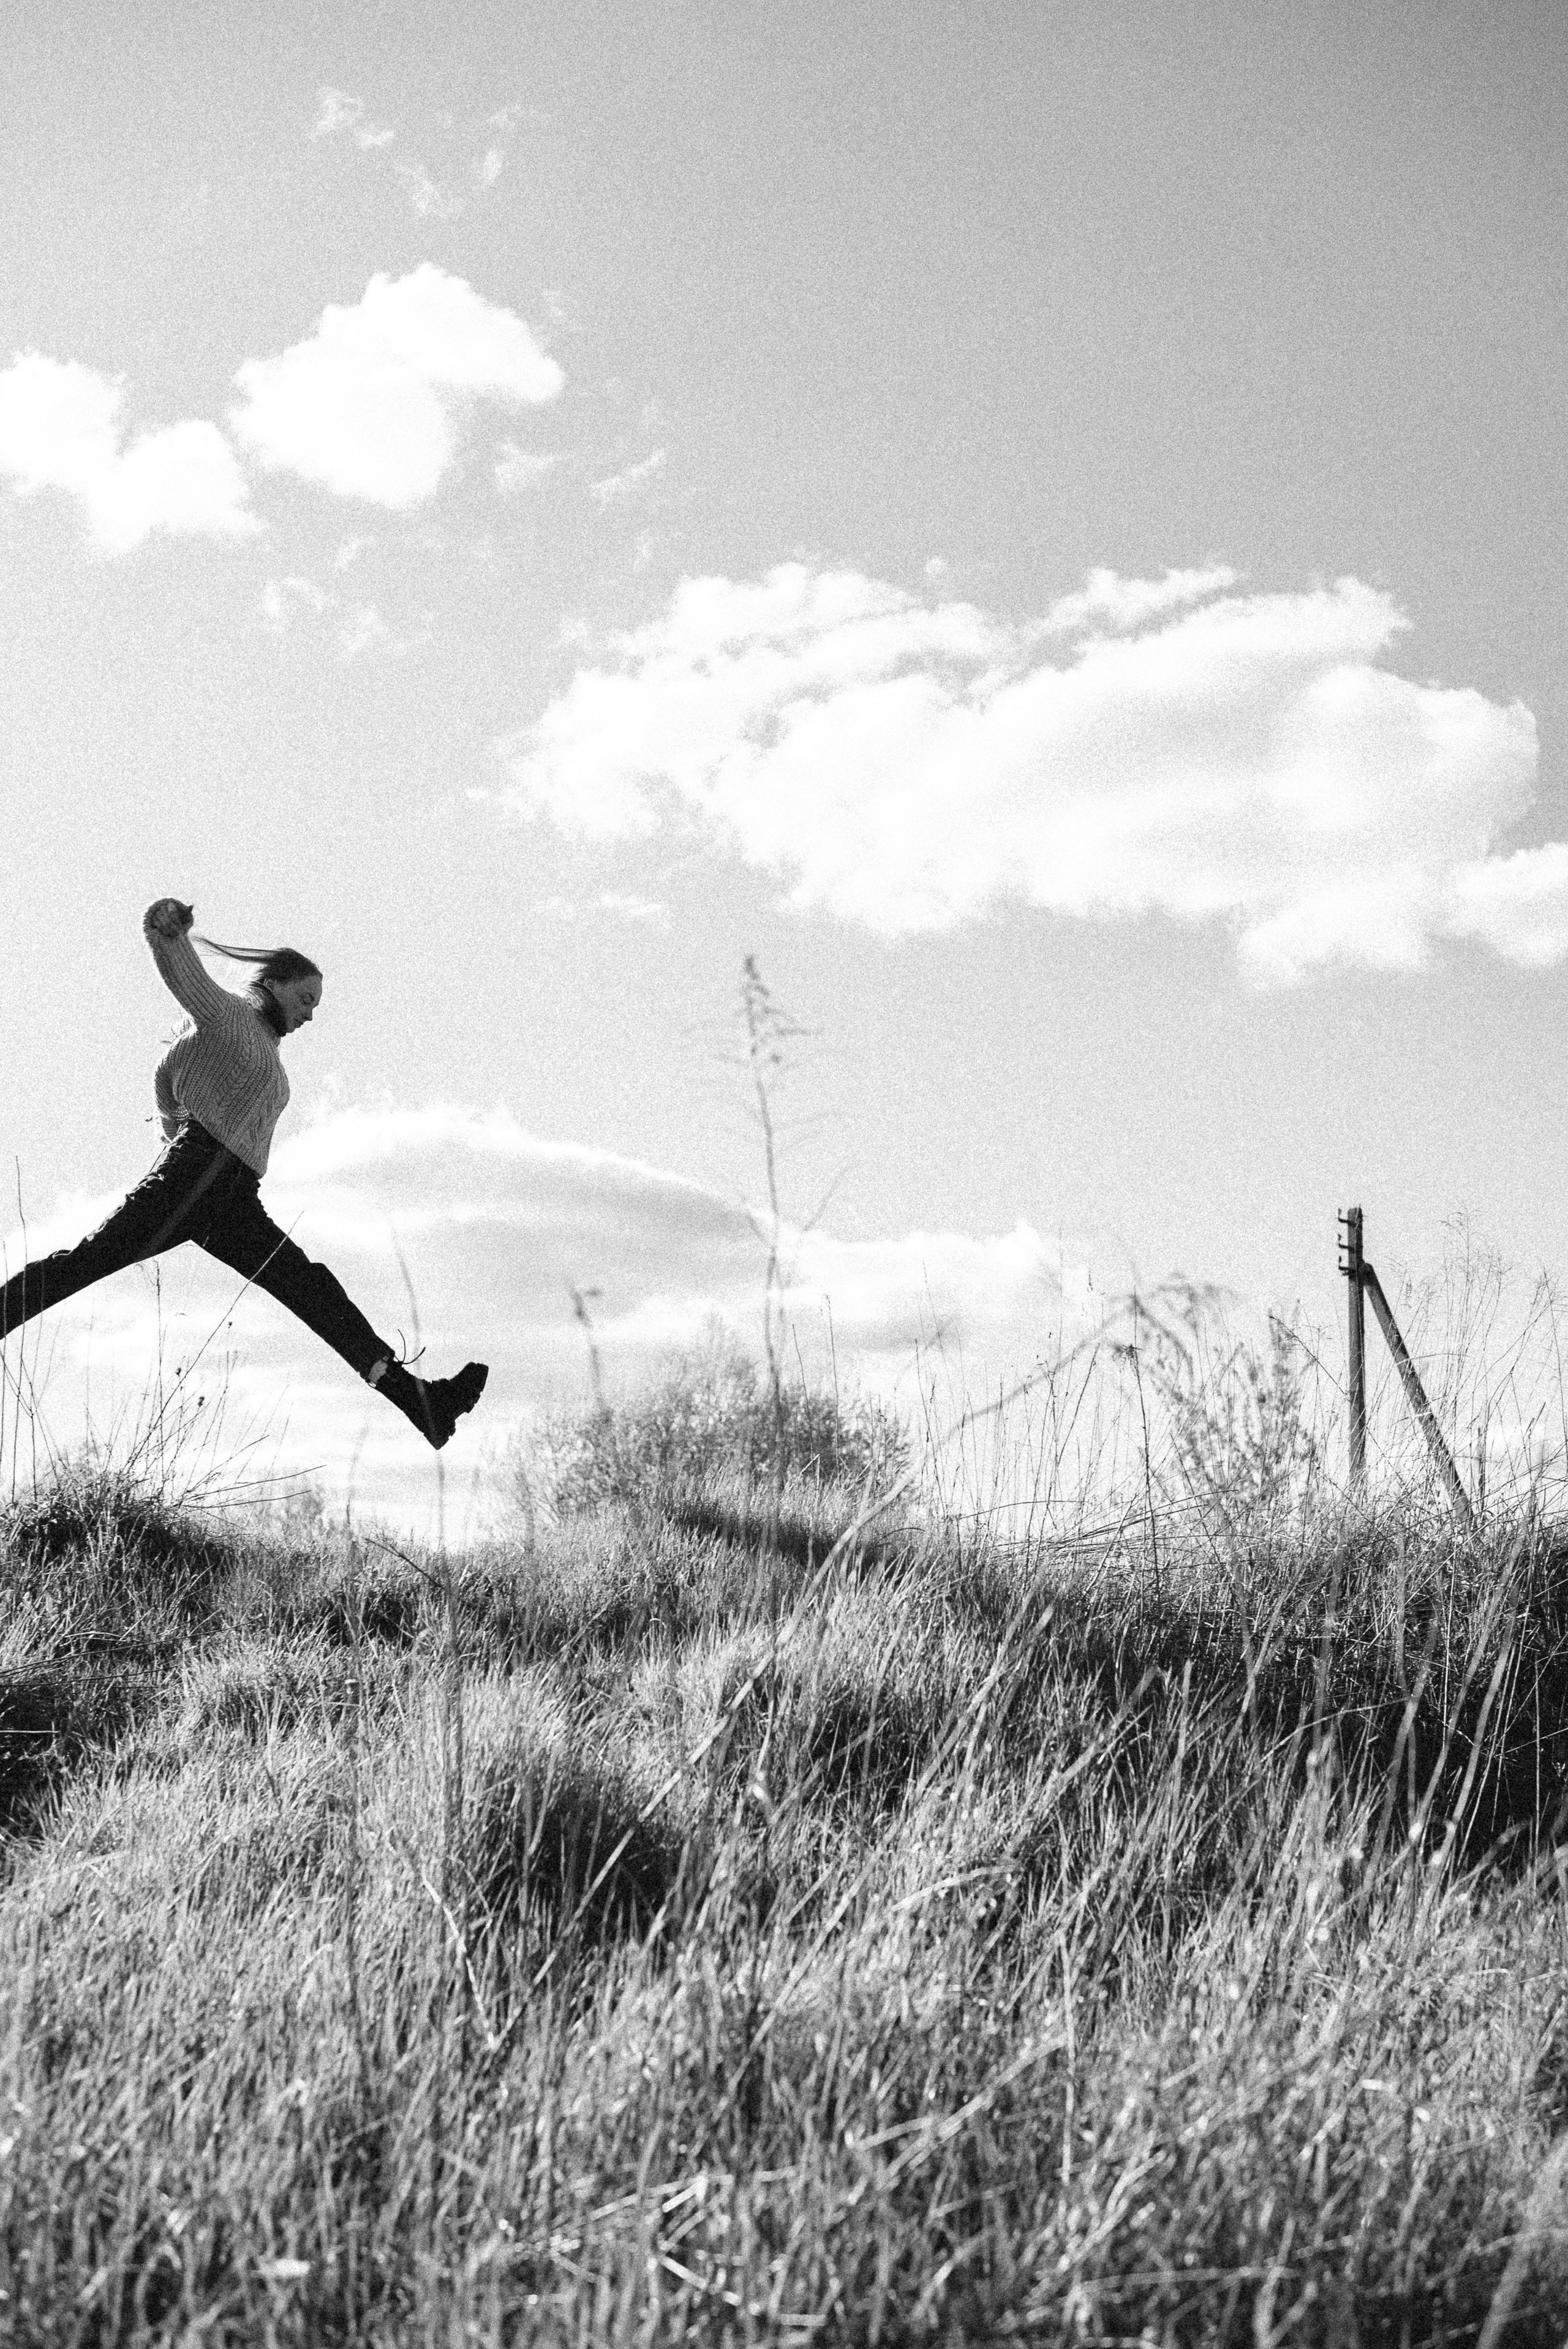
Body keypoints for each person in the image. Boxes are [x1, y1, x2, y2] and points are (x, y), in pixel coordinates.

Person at [0, 897, 488, 1450]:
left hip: (234, 1202)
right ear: (274, 984)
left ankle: (423, 1405)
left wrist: (176, 1114)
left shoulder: (267, 1056)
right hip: (190, 1180)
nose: (310, 1015)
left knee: (312, 1288)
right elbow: (181, 980)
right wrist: (168, 928)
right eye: (305, 999)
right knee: (86, 1262)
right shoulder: (228, 1014)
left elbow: (170, 1072)